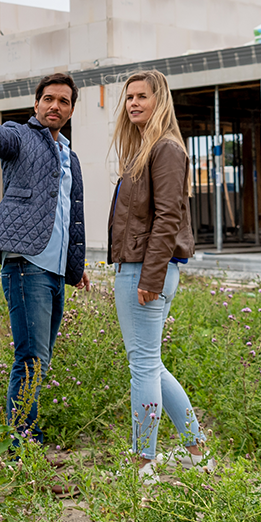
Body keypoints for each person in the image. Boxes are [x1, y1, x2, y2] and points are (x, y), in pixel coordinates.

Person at [0, 73, 90, 443]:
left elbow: (69, 213)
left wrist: (75, 267)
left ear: (71, 110)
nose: (55, 106)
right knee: (30, 358)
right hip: (26, 265)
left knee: (40, 360)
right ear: (37, 105)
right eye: (48, 99)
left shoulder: (69, 155)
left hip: (55, 269)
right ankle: (21, 441)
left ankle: (25, 430)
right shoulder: (21, 136)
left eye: (63, 101)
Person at [108, 70, 213, 480]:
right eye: (129, 97)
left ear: (159, 100)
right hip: (139, 268)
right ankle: (196, 450)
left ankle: (143, 461)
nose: (133, 103)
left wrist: (149, 278)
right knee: (151, 365)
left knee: (143, 367)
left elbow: (169, 217)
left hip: (145, 271)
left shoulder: (166, 148)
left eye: (142, 97)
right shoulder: (145, 148)